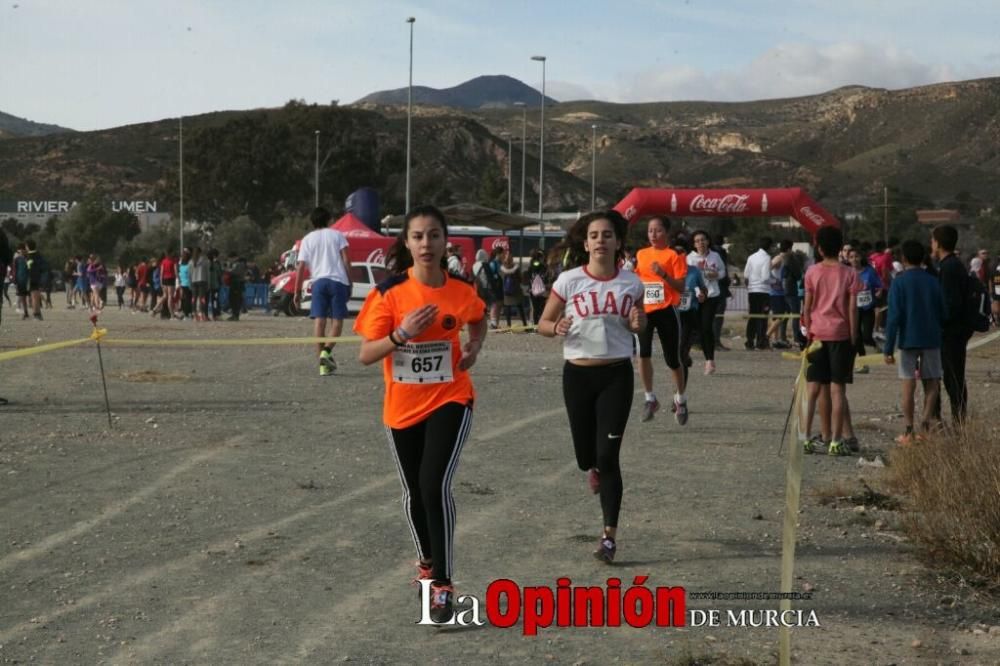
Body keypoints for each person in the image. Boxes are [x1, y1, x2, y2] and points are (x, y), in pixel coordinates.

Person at [354, 204, 486, 624]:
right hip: (402, 408)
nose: (426, 243)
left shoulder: (461, 290)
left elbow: (479, 319)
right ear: (406, 243)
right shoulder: (389, 293)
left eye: (434, 235)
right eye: (418, 236)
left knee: (434, 485)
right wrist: (400, 334)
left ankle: (443, 583)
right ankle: (426, 560)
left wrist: (473, 348)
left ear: (446, 241)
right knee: (414, 492)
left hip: (451, 398)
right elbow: (365, 354)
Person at [537, 210, 645, 564]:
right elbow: (543, 323)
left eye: (607, 234)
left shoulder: (632, 283)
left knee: (609, 456)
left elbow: (636, 325)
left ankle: (609, 537)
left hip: (616, 374)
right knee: (586, 456)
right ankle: (593, 469)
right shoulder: (569, 280)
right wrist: (556, 328)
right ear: (586, 244)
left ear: (617, 243)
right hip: (578, 375)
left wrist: (636, 323)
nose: (601, 240)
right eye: (594, 235)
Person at [801, 226, 859, 456]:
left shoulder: (812, 272)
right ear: (840, 248)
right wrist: (854, 337)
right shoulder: (850, 274)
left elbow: (807, 305)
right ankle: (836, 440)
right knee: (838, 390)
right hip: (841, 335)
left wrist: (807, 330)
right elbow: (852, 308)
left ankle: (804, 437)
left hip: (816, 335)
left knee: (813, 389)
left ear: (820, 247)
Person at [884, 240, 945, 444]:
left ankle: (908, 430)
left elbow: (893, 318)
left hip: (908, 339)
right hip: (931, 337)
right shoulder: (933, 281)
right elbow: (943, 312)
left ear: (903, 258)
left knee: (908, 384)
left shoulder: (899, 282)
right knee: (932, 382)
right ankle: (925, 425)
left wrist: (888, 348)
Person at [634, 216, 689, 424]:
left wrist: (664, 274)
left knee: (672, 358)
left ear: (666, 232)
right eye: (650, 230)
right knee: (643, 353)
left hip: (667, 309)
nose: (653, 234)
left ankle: (680, 400)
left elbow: (681, 287)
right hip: (644, 309)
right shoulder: (641, 254)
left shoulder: (674, 255)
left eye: (657, 230)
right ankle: (650, 398)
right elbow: (637, 280)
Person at [294, 207, 352, 376]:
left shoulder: (307, 239)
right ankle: (326, 352)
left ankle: (322, 364)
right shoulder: (337, 235)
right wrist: (350, 281)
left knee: (319, 322)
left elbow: (300, 267)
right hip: (338, 281)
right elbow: (347, 260)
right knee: (337, 322)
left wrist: (297, 291)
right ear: (329, 220)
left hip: (318, 282)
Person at [931, 225, 972, 423]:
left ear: (937, 243)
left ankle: (959, 421)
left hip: (951, 331)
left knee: (953, 377)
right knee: (952, 375)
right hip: (955, 330)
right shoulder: (953, 264)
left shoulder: (949, 267)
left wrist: (938, 321)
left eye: (932, 240)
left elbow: (950, 303)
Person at [688, 230, 725, 374]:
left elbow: (723, 272)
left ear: (708, 241)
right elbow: (688, 279)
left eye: (703, 240)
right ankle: (686, 355)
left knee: (706, 327)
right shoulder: (690, 259)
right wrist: (697, 292)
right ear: (694, 244)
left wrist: (717, 275)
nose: (700, 243)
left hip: (712, 295)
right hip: (695, 296)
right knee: (694, 328)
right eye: (697, 241)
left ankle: (709, 361)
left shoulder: (715, 256)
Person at [674, 234, 707, 385]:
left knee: (680, 355)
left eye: (681, 252)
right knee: (674, 357)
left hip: (689, 315)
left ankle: (679, 396)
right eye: (675, 252)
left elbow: (704, 289)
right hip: (671, 316)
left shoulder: (694, 271)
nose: (678, 255)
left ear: (686, 254)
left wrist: (702, 296)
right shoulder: (665, 272)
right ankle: (685, 357)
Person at [848, 247, 882, 371]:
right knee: (856, 336)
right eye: (851, 257)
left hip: (868, 308)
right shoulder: (847, 272)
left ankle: (876, 345)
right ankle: (863, 363)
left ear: (861, 257)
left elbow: (879, 286)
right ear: (848, 259)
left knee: (867, 336)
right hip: (853, 309)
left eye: (856, 256)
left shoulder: (869, 272)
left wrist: (879, 292)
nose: (854, 259)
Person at [743, 238, 773, 350]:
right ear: (770, 247)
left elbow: (746, 274)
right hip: (763, 291)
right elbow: (765, 277)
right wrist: (774, 281)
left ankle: (749, 341)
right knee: (763, 317)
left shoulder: (751, 257)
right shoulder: (767, 258)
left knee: (753, 317)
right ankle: (760, 342)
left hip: (752, 291)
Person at [711, 234, 731, 350]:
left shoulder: (710, 252)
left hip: (711, 288)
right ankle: (716, 341)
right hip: (719, 288)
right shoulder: (719, 253)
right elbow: (723, 271)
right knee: (718, 316)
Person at [499, 248, 527, 328]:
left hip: (506, 291)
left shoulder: (502, 268)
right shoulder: (516, 268)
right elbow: (520, 278)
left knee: (507, 307)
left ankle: (508, 325)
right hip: (516, 290)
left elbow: (501, 279)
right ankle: (525, 324)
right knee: (520, 307)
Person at [526, 248, 550, 325]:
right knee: (536, 308)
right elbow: (535, 266)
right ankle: (536, 324)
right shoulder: (535, 264)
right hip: (535, 289)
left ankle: (539, 323)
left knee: (540, 307)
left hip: (541, 289)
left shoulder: (544, 266)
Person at [190, 246, 210, 322]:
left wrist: (190, 282)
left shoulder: (191, 261)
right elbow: (207, 273)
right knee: (202, 298)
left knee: (193, 299)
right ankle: (202, 314)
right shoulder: (205, 261)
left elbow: (189, 274)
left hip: (193, 281)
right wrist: (208, 283)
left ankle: (194, 315)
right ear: (200, 252)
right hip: (202, 280)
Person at [226, 253, 247, 321]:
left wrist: (227, 270)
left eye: (230, 258)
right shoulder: (237, 264)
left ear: (235, 257)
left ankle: (235, 315)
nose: (230, 260)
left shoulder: (239, 264)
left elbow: (235, 272)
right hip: (235, 283)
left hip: (237, 283)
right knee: (233, 299)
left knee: (235, 300)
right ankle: (234, 314)